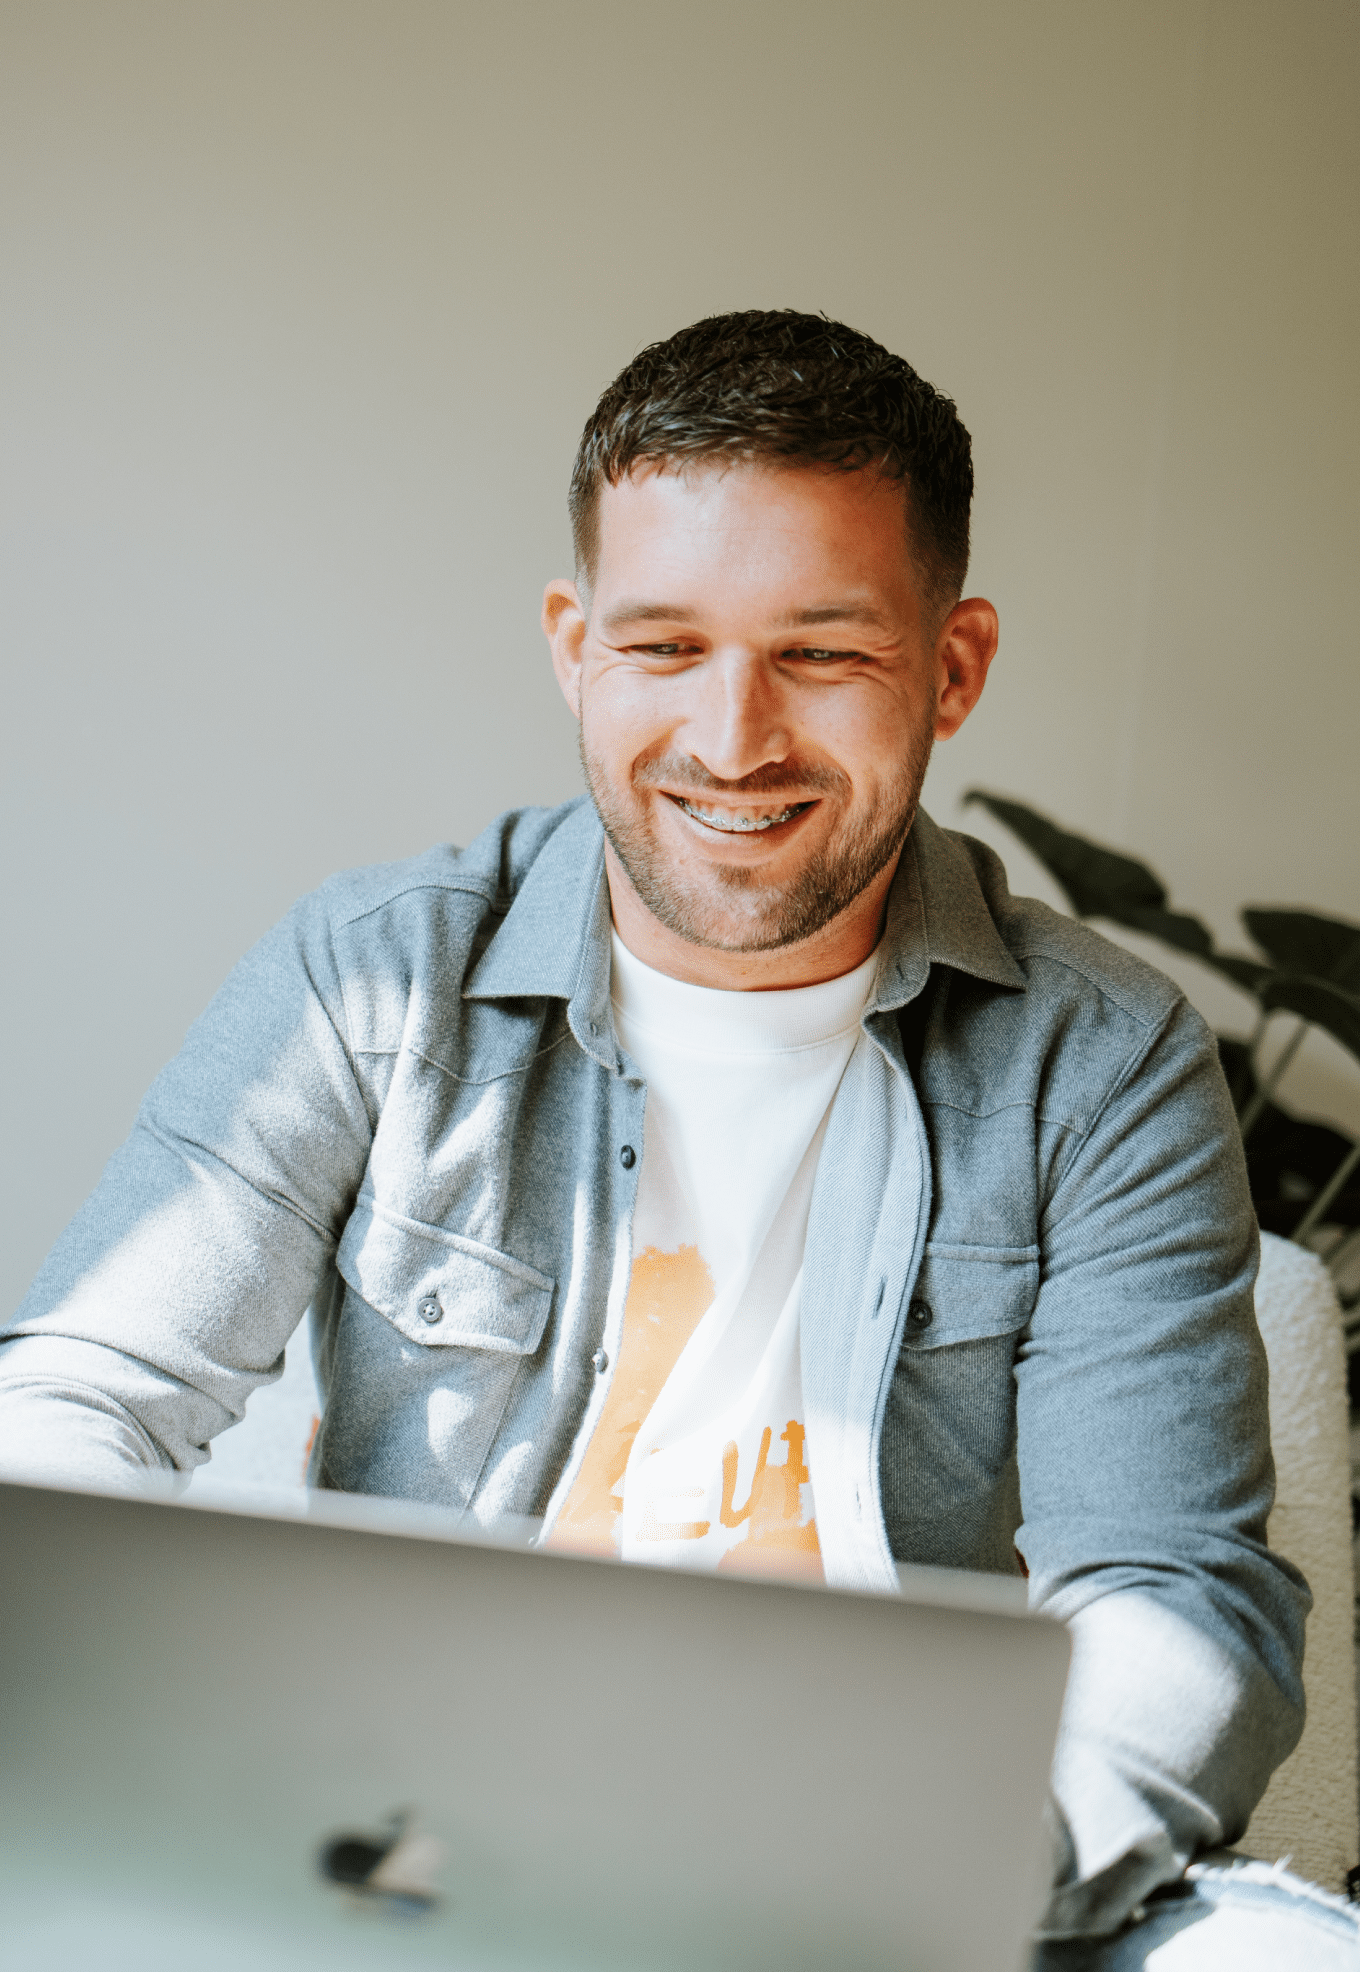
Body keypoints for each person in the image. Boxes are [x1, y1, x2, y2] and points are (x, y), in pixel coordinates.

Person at [1, 310, 1354, 1967]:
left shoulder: (1108, 1058)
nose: (733, 739)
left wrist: (954, 1883)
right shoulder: (372, 979)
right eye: (663, 648)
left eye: (825, 652)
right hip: (410, 1862)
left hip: (907, 1880)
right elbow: (72, 1405)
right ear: (574, 644)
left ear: (954, 663)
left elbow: (1169, 1599)